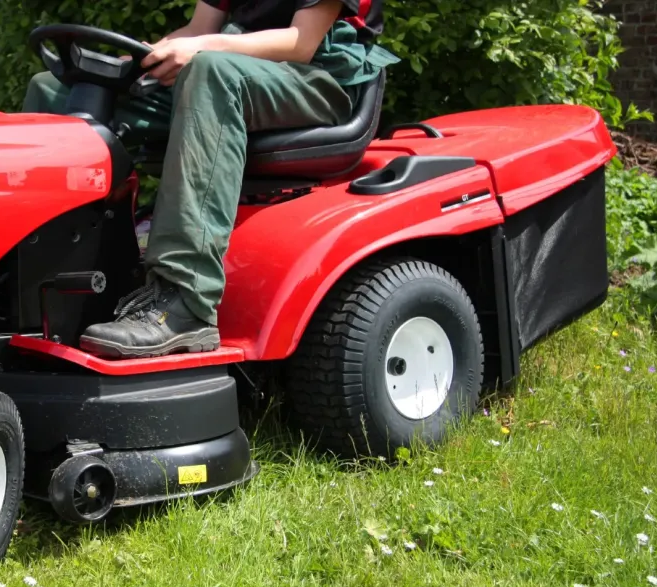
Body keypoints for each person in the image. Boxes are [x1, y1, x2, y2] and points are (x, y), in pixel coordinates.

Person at [23, 0, 397, 359]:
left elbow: (301, 42)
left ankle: (184, 304)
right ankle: (42, 281)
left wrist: (202, 48)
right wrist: (133, 61)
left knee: (209, 71)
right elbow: (198, 28)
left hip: (317, 79)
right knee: (57, 89)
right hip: (234, 66)